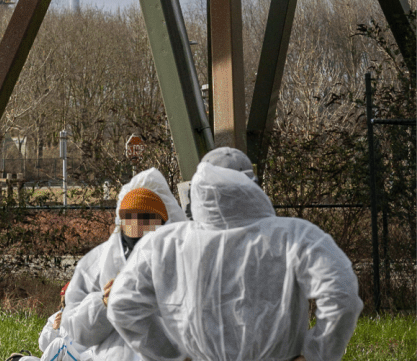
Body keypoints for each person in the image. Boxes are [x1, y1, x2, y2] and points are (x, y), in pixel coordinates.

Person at [106, 151, 362, 361]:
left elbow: (122, 305)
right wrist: (316, 354)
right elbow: (341, 294)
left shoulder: (163, 243)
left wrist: (172, 356)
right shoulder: (296, 235)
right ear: (253, 185)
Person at [58, 168, 185, 361]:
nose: (138, 225)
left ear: (165, 220)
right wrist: (103, 304)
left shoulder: (184, 258)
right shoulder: (97, 263)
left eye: (147, 218)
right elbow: (75, 331)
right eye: (131, 217)